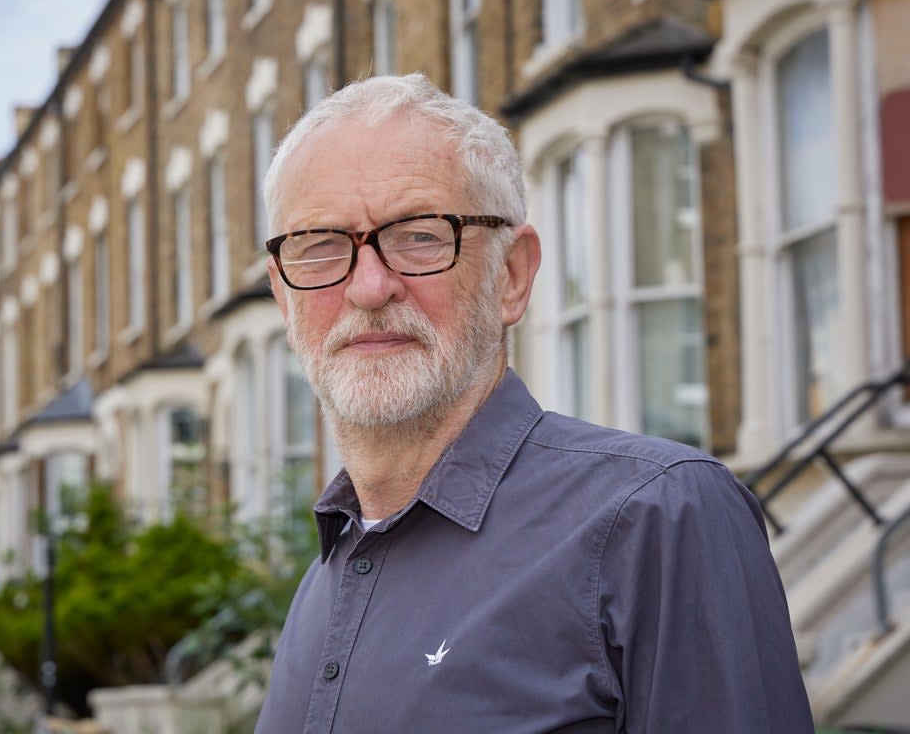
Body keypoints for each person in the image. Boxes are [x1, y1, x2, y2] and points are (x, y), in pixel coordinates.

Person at [254, 74, 813, 733]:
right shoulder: (330, 574)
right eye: (320, 247)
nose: (370, 287)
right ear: (284, 298)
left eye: (422, 236)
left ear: (512, 275)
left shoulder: (658, 519)